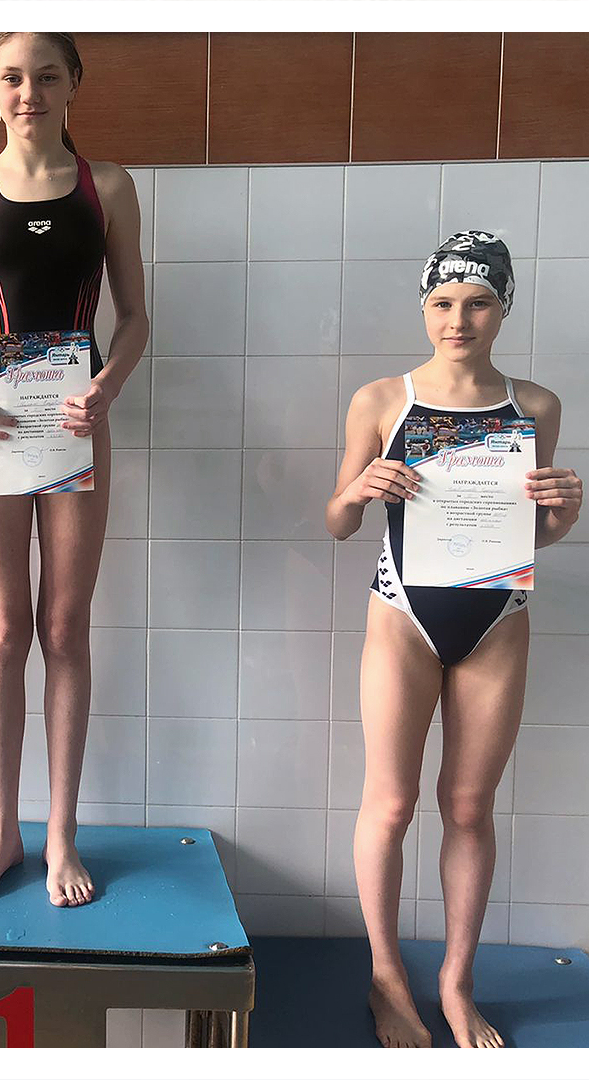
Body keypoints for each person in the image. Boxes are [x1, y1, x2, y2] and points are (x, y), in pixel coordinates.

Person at [326, 231, 582, 1048]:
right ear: (424, 307)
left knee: (469, 806)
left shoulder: (536, 405)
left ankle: (456, 983)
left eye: (478, 303)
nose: (457, 320)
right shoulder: (381, 399)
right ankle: (387, 978)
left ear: (503, 310)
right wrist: (358, 490)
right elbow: (336, 523)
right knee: (391, 802)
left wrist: (564, 514)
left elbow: (529, 535)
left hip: (496, 618)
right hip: (403, 615)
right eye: (442, 303)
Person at [0, 32, 148, 907]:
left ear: (73, 84)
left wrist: (107, 386)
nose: (30, 92)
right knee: (2, 630)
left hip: (74, 422)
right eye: (13, 77)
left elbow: (134, 317)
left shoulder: (108, 186)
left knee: (64, 628)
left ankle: (60, 834)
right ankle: (2, 832)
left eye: (47, 76)